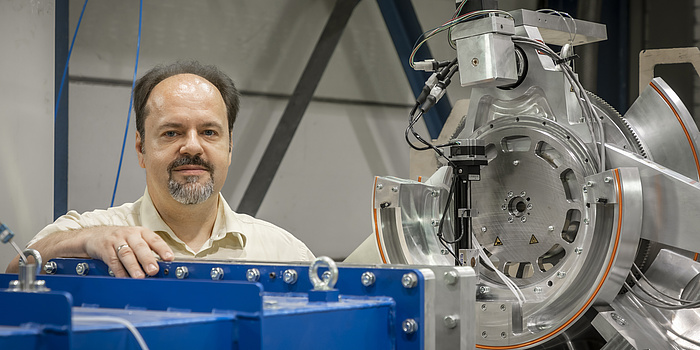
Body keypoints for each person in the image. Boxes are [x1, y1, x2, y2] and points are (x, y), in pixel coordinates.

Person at [6, 61, 314, 277]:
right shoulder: (98, 232)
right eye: (172, 132)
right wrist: (90, 239)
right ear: (140, 148)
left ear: (229, 147)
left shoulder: (285, 253)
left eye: (209, 132)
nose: (192, 147)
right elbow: (17, 269)